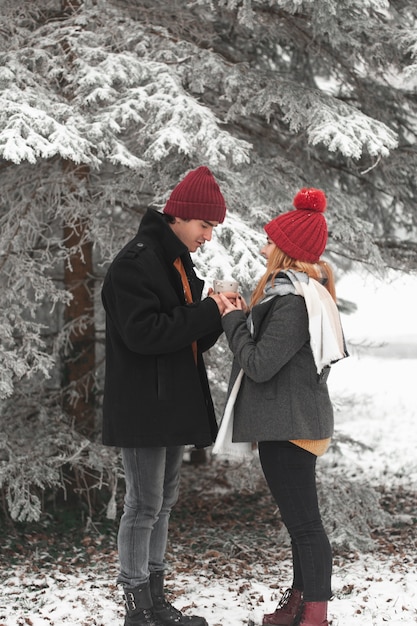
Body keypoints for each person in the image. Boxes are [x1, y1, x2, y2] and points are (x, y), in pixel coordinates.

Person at [101, 166, 233, 626]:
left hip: (170, 404)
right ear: (181, 216)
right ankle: (137, 606)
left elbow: (186, 339)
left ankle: (155, 601)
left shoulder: (176, 261)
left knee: (164, 502)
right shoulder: (135, 263)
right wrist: (205, 311)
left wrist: (216, 312)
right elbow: (145, 335)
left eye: (213, 228)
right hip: (143, 408)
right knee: (143, 505)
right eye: (205, 225)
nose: (209, 237)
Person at [216, 188, 347, 626]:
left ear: (286, 251)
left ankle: (314, 615)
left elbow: (258, 364)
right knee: (299, 523)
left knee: (306, 525)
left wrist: (231, 319)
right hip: (290, 421)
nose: (262, 246)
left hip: (289, 426)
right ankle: (300, 603)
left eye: (270, 240)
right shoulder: (297, 294)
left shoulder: (293, 302)